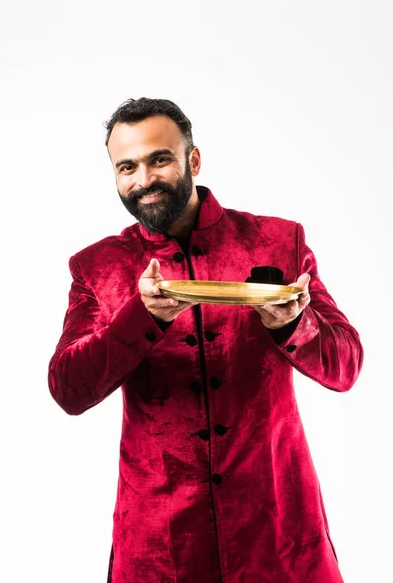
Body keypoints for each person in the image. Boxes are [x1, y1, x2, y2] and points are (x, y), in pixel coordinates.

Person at [48, 97, 364, 583]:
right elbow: (69, 389)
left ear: (193, 159)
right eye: (126, 167)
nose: (144, 180)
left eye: (159, 159)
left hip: (278, 533)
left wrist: (291, 325)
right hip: (159, 544)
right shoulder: (97, 267)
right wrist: (141, 318)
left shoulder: (279, 242)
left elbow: (345, 367)